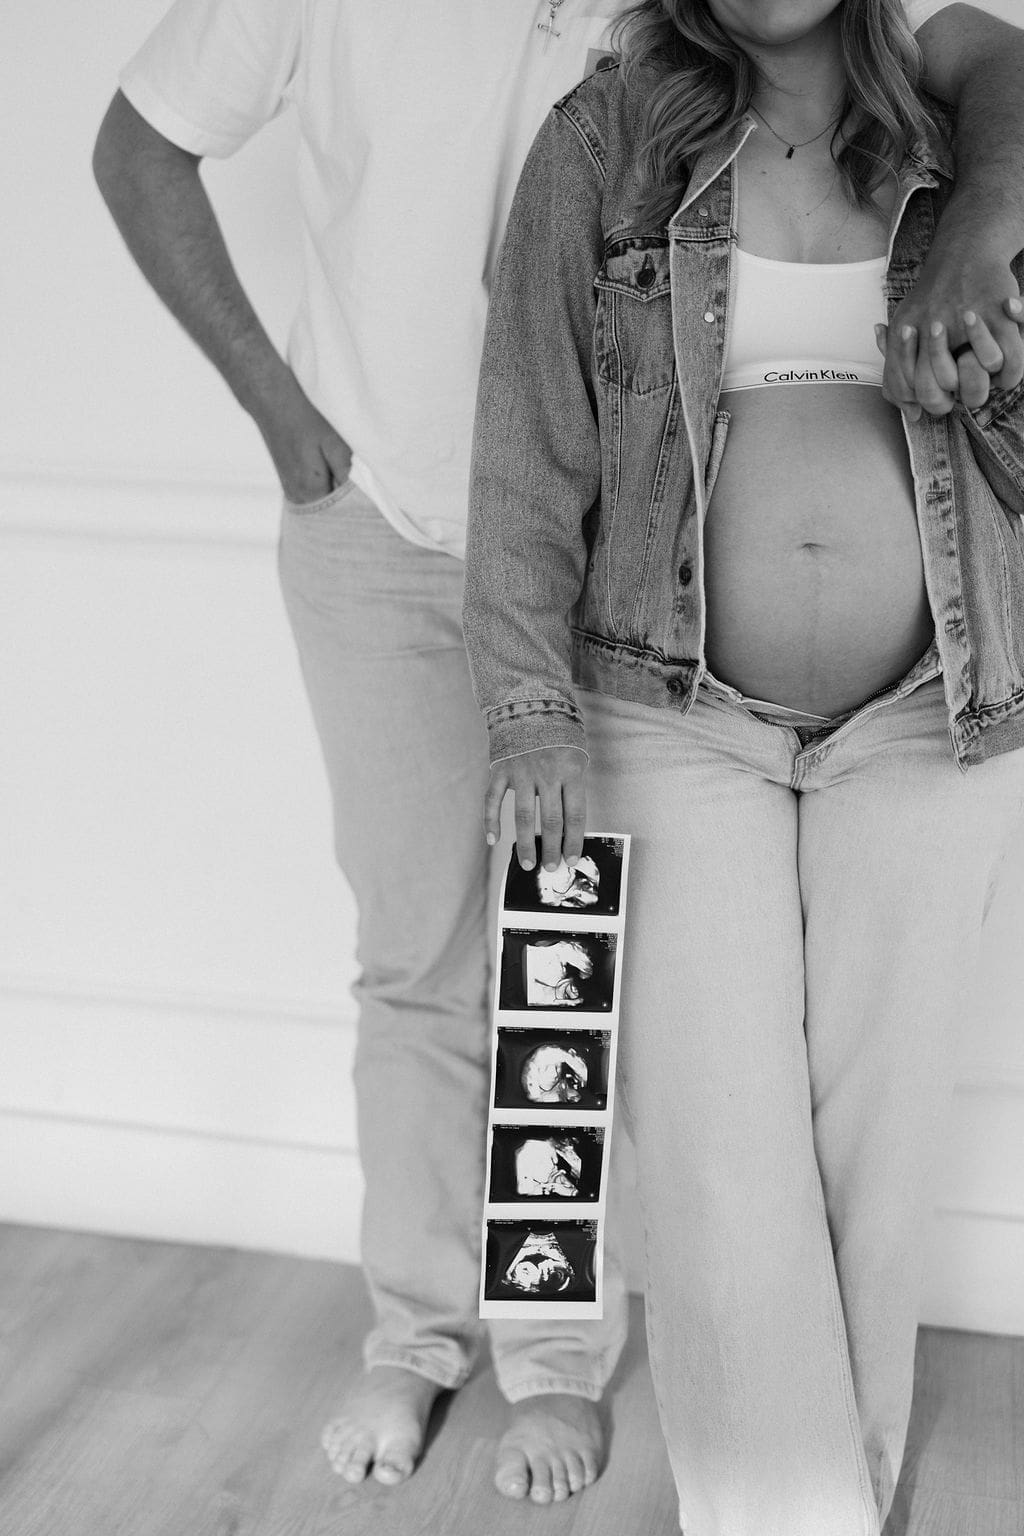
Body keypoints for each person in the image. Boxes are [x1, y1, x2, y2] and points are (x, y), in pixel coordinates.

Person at [91, 0, 1024, 1510]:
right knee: (441, 975)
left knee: (599, 996)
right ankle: (428, 1337)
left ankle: (586, 1376)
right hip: (428, 541)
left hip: (686, 594)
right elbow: (148, 150)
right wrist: (294, 436)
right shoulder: (587, 111)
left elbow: (985, 62)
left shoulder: (814, 74)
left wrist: (983, 237)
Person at [462, 1, 1024, 1531]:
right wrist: (527, 712)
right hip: (668, 708)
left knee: (875, 1164)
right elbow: (527, 440)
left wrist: (987, 292)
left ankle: (837, 1498)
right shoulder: (605, 140)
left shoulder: (964, 133)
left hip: (931, 717)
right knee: (719, 1154)